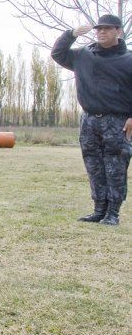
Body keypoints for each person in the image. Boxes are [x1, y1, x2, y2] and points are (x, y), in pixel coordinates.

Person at [52, 14, 132, 226]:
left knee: (116, 167)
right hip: (89, 121)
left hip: (118, 121)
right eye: (98, 29)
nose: (101, 32)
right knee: (94, 166)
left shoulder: (129, 59)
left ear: (118, 31)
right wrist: (71, 35)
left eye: (107, 29)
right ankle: (99, 210)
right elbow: (58, 53)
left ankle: (113, 213)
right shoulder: (84, 56)